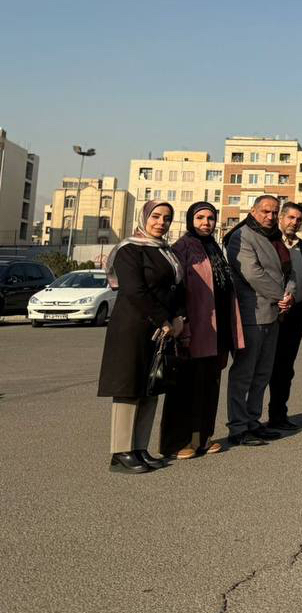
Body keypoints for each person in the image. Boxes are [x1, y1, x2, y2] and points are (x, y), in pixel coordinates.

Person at [97, 200, 186, 474]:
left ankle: (139, 447)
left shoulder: (166, 251)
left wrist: (179, 317)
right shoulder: (129, 249)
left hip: (160, 330)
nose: (161, 222)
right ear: (144, 217)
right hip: (133, 327)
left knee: (151, 386)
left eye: (167, 218)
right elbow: (134, 290)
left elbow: (176, 288)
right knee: (129, 387)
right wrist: (164, 320)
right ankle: (120, 452)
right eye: (156, 216)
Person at [160, 202, 244, 459]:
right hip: (194, 328)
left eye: (210, 218)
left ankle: (203, 438)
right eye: (200, 218)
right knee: (186, 387)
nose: (206, 223)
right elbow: (176, 290)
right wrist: (181, 324)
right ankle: (178, 442)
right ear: (190, 220)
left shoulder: (214, 248)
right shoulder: (182, 248)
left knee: (209, 384)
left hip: (218, 330)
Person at [224, 195, 294, 447]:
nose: (270, 216)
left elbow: (288, 272)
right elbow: (253, 274)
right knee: (244, 374)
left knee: (262, 373)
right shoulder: (241, 236)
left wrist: (289, 293)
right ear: (253, 211)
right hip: (251, 315)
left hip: (273, 314)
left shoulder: (274, 237)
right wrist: (281, 296)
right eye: (265, 211)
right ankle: (238, 427)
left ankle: (253, 422)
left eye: (274, 212)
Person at [266, 202, 302, 431]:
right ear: (281, 218)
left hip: (295, 317)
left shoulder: (301, 246)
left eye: (299, 219)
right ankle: (249, 420)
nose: (295, 222)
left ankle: (278, 415)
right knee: (265, 368)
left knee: (285, 370)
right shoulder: (269, 242)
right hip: (272, 314)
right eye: (291, 217)